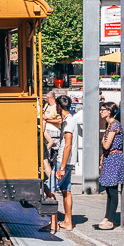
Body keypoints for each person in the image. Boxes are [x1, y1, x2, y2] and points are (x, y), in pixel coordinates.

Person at [43, 95, 76, 233]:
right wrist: (46, 119)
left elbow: (67, 145)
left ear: (59, 107)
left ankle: (53, 223)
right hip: (68, 162)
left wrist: (61, 167)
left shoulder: (68, 122)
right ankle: (67, 222)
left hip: (63, 161)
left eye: (56, 106)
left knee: (48, 188)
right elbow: (59, 120)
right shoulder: (68, 119)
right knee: (66, 191)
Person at [96, 102, 123, 230]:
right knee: (108, 189)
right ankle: (107, 216)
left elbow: (106, 144)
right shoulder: (110, 125)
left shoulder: (114, 125)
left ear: (109, 111)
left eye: (103, 110)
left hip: (114, 158)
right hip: (109, 158)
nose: (101, 112)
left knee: (112, 190)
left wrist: (103, 140)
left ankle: (111, 220)